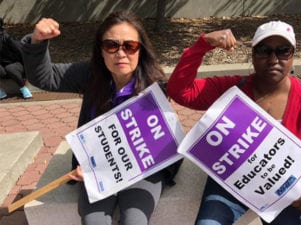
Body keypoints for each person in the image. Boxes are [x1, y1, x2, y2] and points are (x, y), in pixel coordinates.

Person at [166, 21, 301, 225]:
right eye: (264, 50)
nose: (273, 59)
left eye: (283, 51)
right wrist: (202, 45)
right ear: (253, 55)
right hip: (229, 185)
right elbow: (181, 91)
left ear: (292, 56)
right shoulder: (234, 89)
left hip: (283, 191)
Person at [21, 11, 182, 225]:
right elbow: (44, 77)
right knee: (93, 221)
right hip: (97, 168)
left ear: (140, 50)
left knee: (135, 220)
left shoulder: (155, 87)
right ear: (101, 51)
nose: (121, 53)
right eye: (111, 45)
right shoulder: (90, 74)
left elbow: (166, 145)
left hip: (142, 171)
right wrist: (38, 41)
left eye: (130, 46)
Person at [0, 17, 32, 99]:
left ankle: (24, 88)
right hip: (2, 69)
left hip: (15, 65)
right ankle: (1, 92)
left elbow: (21, 51)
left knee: (10, 68)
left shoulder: (8, 38)